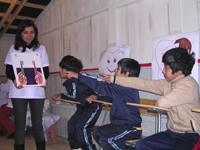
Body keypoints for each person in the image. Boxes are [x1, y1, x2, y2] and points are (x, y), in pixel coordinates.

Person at [101, 47, 200, 150]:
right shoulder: (168, 83)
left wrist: (160, 104)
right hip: (172, 133)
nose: (163, 71)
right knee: (142, 145)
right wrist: (113, 79)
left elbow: (161, 103)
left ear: (178, 72)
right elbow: (142, 83)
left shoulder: (188, 86)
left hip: (191, 135)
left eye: (166, 68)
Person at [66, 58, 142, 150]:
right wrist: (97, 97)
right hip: (118, 126)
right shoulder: (119, 88)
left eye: (118, 69)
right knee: (97, 131)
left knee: (107, 140)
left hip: (131, 128)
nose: (115, 70)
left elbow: (100, 85)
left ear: (126, 74)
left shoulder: (128, 87)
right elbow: (110, 98)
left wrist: (79, 76)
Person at [4, 19, 50, 150]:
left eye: (32, 32)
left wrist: (44, 79)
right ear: (20, 33)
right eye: (25, 32)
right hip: (19, 90)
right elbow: (8, 69)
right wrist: (14, 79)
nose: (29, 35)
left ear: (35, 33)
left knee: (37, 123)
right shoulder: (13, 49)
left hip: (37, 91)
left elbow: (45, 69)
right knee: (19, 123)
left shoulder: (41, 49)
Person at [52, 55, 102, 150]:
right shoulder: (71, 81)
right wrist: (61, 96)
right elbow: (77, 98)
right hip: (82, 108)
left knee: (82, 127)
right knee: (72, 123)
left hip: (92, 107)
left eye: (62, 68)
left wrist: (61, 96)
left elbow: (75, 98)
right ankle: (75, 148)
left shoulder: (76, 81)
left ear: (68, 71)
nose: (60, 70)